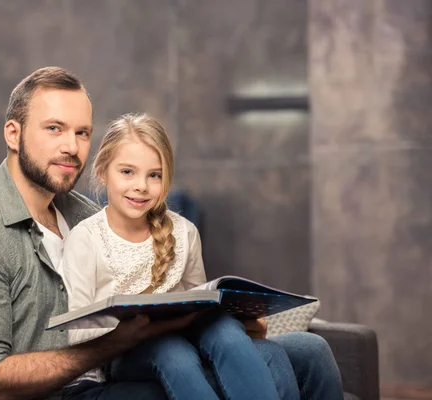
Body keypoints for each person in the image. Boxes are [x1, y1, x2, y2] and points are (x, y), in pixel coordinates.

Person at [0, 67, 197, 400]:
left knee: (261, 356)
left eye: (82, 133)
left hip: (119, 375)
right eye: (54, 129)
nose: (71, 147)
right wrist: (114, 342)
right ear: (13, 134)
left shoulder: (84, 214)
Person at [60, 113, 345, 400]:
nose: (141, 186)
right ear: (102, 172)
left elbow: (198, 300)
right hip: (126, 353)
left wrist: (238, 316)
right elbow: (76, 332)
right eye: (127, 172)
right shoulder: (86, 238)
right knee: (174, 352)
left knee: (226, 329)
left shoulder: (184, 232)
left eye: (154, 175)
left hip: (183, 337)